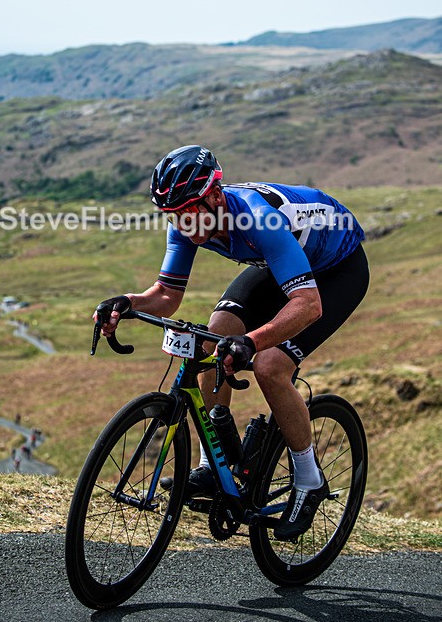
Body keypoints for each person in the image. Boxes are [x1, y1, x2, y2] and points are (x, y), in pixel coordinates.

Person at [96, 145, 369, 540]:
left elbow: (308, 306)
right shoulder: (188, 219)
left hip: (336, 271)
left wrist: (252, 342)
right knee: (211, 339)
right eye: (172, 217)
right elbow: (167, 295)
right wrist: (128, 302)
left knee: (270, 366)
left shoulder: (259, 219)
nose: (182, 225)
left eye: (187, 214)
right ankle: (214, 465)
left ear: (213, 196)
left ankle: (309, 480)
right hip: (276, 265)